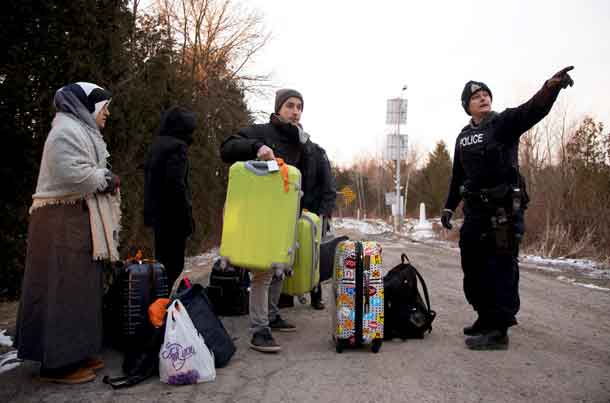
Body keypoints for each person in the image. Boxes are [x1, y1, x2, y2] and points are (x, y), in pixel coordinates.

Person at [441, 66, 575, 350]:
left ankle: (499, 329)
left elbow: (532, 110)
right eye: (476, 96)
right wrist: (449, 208)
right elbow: (458, 176)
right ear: (467, 106)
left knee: (500, 268)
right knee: (473, 267)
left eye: (486, 93)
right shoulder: (463, 137)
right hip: (475, 214)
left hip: (502, 213)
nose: (483, 97)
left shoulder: (503, 123)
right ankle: (485, 317)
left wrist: (550, 88)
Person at [16, 82, 120, 384]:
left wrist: (103, 178)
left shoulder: (79, 131)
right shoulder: (65, 131)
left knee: (80, 290)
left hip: (74, 221)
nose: (108, 113)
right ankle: (56, 365)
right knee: (62, 290)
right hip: (58, 224)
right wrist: (105, 178)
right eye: (104, 107)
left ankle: (75, 353)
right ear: (89, 106)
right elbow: (70, 173)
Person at [220, 88, 336, 352]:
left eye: (299, 107)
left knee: (280, 266)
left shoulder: (303, 142)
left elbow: (306, 180)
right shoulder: (262, 132)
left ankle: (272, 315)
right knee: (262, 271)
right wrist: (256, 147)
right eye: (290, 106)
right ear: (278, 109)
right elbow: (226, 148)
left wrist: (316, 210)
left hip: (288, 216)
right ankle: (258, 330)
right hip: (262, 215)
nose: (295, 111)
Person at [144, 106, 197, 290]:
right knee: (174, 265)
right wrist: (186, 218)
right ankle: (159, 304)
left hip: (158, 215)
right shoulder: (178, 147)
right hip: (173, 217)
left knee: (162, 261)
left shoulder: (157, 144)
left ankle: (156, 302)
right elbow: (176, 185)